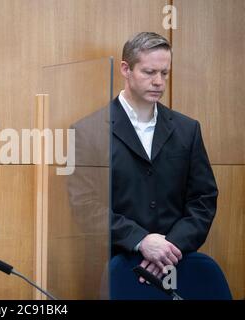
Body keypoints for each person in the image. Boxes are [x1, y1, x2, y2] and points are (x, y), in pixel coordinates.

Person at [68, 32, 218, 283]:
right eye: (149, 72)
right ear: (126, 69)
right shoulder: (87, 131)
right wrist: (141, 240)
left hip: (178, 264)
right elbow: (83, 204)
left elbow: (203, 198)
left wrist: (169, 248)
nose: (159, 81)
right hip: (117, 266)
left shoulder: (188, 129)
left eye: (165, 73)